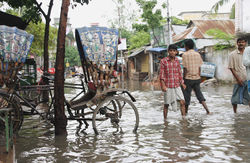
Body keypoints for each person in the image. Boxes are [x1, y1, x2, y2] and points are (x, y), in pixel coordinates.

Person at [182, 39, 210, 114]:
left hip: (188, 78)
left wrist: (183, 79)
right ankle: (207, 110)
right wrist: (199, 76)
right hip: (197, 78)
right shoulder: (198, 54)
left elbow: (185, 68)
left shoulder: (185, 55)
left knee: (186, 97)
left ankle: (185, 114)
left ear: (186, 46)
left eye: (185, 46)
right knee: (199, 95)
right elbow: (199, 67)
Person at [159, 44, 186, 120]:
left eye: (174, 51)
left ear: (176, 52)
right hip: (168, 85)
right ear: (168, 51)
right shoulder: (163, 61)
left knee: (182, 102)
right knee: (166, 104)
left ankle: (183, 119)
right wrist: (163, 85)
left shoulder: (177, 60)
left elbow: (179, 72)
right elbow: (162, 74)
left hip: (177, 85)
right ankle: (165, 120)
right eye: (170, 50)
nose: (172, 52)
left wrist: (182, 83)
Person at [229, 38, 250, 113]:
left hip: (248, 79)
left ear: (245, 43)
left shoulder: (248, 53)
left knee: (249, 97)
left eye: (242, 42)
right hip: (238, 80)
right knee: (234, 99)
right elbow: (231, 68)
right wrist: (238, 79)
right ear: (237, 43)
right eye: (239, 42)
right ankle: (235, 113)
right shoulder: (232, 54)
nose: (241, 44)